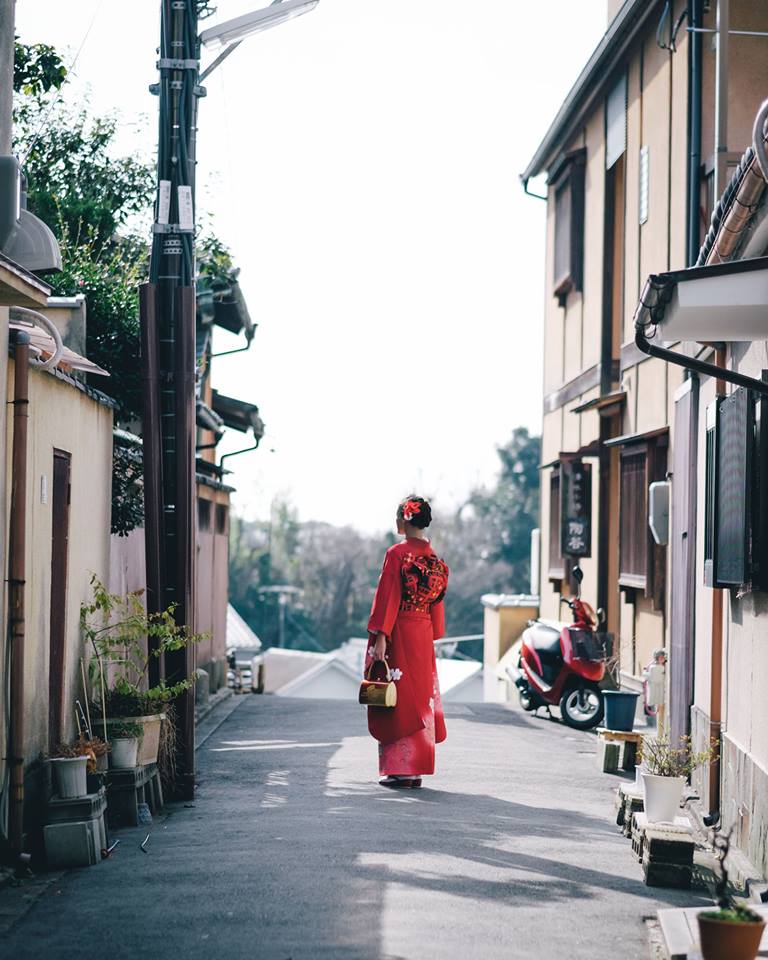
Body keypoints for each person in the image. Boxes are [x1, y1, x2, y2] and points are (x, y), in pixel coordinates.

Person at [365, 495, 449, 789]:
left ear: (404, 520)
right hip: (423, 631)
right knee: (420, 697)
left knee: (399, 698)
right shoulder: (433, 558)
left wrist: (380, 637)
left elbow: (388, 598)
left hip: (400, 629)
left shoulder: (398, 554)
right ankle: (416, 770)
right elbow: (437, 603)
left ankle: (401, 770)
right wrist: (433, 630)